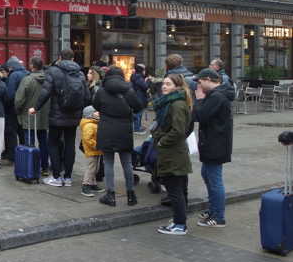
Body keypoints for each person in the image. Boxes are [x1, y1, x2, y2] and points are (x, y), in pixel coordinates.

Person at [31, 49, 90, 187]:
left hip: (57, 116)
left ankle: (57, 177)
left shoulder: (53, 71)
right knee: (70, 145)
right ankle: (68, 177)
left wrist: (36, 108)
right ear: (73, 58)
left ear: (59, 58)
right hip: (74, 116)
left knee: (53, 144)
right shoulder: (80, 73)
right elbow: (87, 96)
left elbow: (45, 92)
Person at [93, 66, 144, 207]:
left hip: (106, 129)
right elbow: (139, 106)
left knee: (108, 163)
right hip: (124, 130)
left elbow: (95, 105)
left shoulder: (102, 91)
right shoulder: (128, 90)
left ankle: (110, 195)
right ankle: (131, 195)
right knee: (127, 163)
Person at [153, 74, 193, 235]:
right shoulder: (173, 102)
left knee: (175, 190)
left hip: (173, 154)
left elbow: (178, 130)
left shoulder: (176, 104)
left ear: (177, 87)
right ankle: (179, 220)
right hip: (175, 152)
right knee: (179, 189)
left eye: (168, 84)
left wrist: (162, 141)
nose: (164, 86)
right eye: (163, 83)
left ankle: (180, 224)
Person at [193, 68, 233, 228]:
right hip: (213, 144)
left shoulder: (216, 96)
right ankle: (213, 209)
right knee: (207, 174)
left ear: (209, 79)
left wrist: (199, 99)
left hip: (216, 145)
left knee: (214, 179)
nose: (198, 85)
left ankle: (218, 216)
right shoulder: (216, 95)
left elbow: (200, 115)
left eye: (200, 81)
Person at [15, 57, 50, 176]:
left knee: (29, 142)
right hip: (44, 116)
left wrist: (18, 110)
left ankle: (31, 168)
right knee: (43, 142)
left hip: (28, 115)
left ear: (32, 66)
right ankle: (44, 167)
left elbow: (19, 99)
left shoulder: (27, 80)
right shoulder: (48, 79)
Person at [4, 56, 29, 159]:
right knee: (23, 132)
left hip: (13, 109)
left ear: (11, 67)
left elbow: (9, 94)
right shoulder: (27, 73)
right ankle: (25, 152)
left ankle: (12, 155)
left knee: (11, 132)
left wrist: (6, 104)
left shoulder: (13, 75)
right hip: (26, 108)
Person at [79, 105, 105, 197]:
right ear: (90, 114)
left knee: (95, 168)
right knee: (91, 168)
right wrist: (97, 145)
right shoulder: (89, 125)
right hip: (92, 150)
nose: (98, 113)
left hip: (96, 150)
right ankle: (85, 185)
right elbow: (87, 139)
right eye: (96, 111)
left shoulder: (94, 123)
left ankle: (93, 184)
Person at [131, 64, 151, 133]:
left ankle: (138, 127)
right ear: (141, 70)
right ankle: (137, 128)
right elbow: (145, 87)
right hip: (140, 98)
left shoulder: (134, 76)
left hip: (136, 97)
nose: (145, 71)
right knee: (138, 113)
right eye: (144, 70)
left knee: (137, 113)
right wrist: (147, 81)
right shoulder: (139, 78)